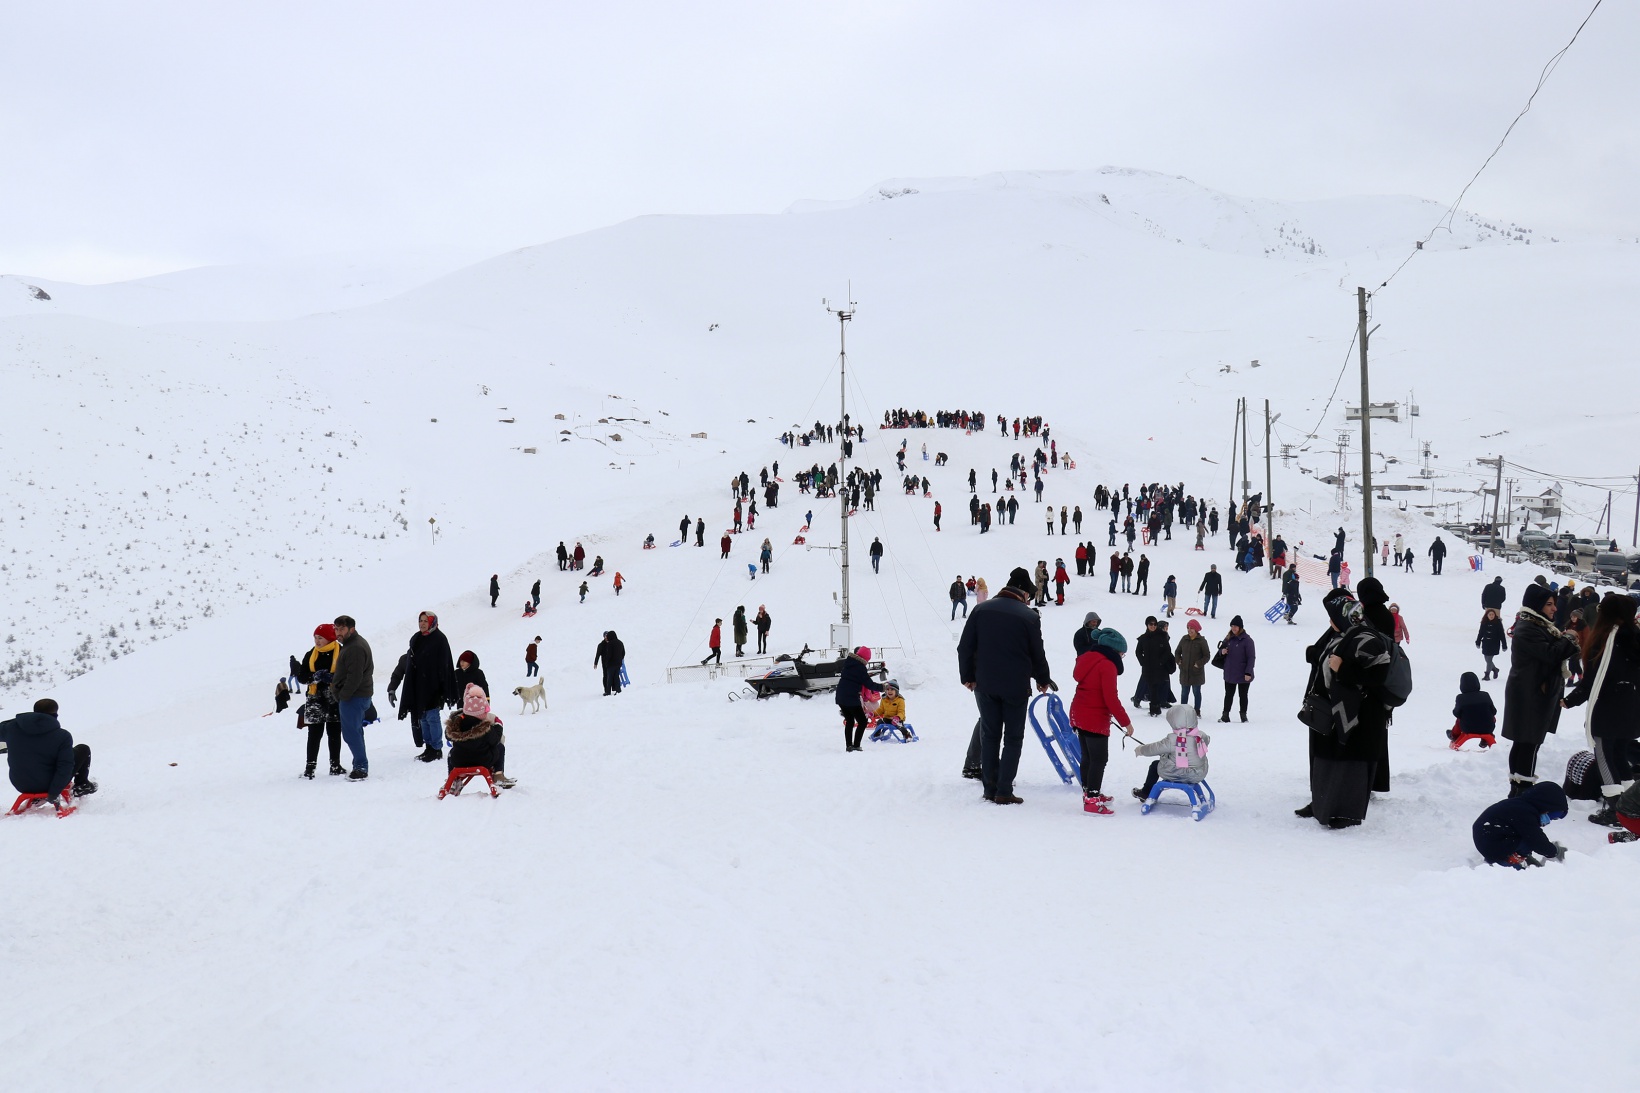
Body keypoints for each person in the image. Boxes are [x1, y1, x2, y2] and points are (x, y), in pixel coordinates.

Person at [1295, 583, 1395, 828]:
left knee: (1350, 765)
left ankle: (1344, 813)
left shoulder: (1365, 636)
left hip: (1357, 713)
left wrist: (1343, 669)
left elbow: (1376, 675)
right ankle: (1325, 806)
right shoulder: (1345, 633)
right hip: (1334, 709)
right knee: (1330, 762)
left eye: (1332, 617)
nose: (1330, 622)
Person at [957, 566, 1056, 804]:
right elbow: (1036, 654)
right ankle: (1004, 790)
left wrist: (967, 676)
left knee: (990, 735)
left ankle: (989, 789)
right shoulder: (1029, 617)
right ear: (1022, 593)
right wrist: (1042, 679)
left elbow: (965, 647)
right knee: (1013, 738)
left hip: (985, 685)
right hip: (1015, 686)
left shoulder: (980, 609)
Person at [1560, 592, 1640, 826]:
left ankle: (1617, 810)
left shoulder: (1606, 639)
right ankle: (1630, 806)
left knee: (1604, 755)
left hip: (1608, 709)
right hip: (1632, 708)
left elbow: (1594, 679)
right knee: (1620, 756)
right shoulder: (1635, 638)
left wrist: (1570, 699)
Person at [1501, 584, 1577, 798]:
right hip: (1531, 695)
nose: (1554, 609)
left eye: (1554, 604)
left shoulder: (1538, 626)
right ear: (1536, 605)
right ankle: (1523, 789)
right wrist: (1568, 639)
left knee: (1525, 742)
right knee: (1529, 742)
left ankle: (1518, 788)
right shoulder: (1529, 628)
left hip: (1532, 692)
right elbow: (1550, 654)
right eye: (1549, 604)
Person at [1069, 627, 1133, 814]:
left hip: (1079, 713)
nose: (1122, 657)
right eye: (1122, 653)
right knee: (1099, 758)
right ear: (1114, 650)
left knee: (1088, 756)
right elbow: (1110, 698)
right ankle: (1092, 798)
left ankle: (1089, 793)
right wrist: (1126, 722)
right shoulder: (1107, 665)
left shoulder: (1088, 659)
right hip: (1093, 717)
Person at [2, 698, 96, 801]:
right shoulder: (62, 736)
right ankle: (81, 786)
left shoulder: (11, 728)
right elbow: (65, 766)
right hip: (48, 785)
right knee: (83, 749)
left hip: (20, 784)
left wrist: (20, 720)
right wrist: (53, 793)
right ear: (55, 715)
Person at [289, 622, 344, 778]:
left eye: (321, 638)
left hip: (334, 697)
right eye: (315, 638)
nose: (317, 641)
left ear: (330, 638)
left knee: (334, 732)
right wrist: (314, 677)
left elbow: (347, 674)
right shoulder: (310, 654)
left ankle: (335, 765)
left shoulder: (341, 652)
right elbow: (301, 676)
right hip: (315, 699)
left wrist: (333, 678)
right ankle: (310, 768)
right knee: (314, 734)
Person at [403, 611, 458, 764]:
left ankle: (436, 748)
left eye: (426, 621)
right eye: (420, 620)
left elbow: (445, 664)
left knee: (432, 718)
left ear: (432, 622)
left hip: (434, 686)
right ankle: (428, 747)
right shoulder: (417, 639)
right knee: (423, 718)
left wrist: (442, 688)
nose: (422, 623)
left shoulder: (439, 639)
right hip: (420, 685)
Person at [1472, 782, 1567, 868]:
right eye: (1551, 817)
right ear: (1545, 806)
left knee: (1525, 837)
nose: (1548, 821)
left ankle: (1514, 859)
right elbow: (1537, 841)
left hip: (1489, 838)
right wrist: (1555, 852)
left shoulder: (1521, 806)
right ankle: (1509, 866)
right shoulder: (1525, 812)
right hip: (1492, 841)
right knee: (1528, 841)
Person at [444, 683, 515, 788]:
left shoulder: (456, 726)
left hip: (459, 760)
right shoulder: (485, 728)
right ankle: (498, 775)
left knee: (451, 753)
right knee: (499, 747)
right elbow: (495, 740)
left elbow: (448, 736)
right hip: (483, 760)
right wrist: (498, 725)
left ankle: (453, 779)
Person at [1132, 705, 1210, 801]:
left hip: (1178, 774)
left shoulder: (1173, 739)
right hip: (1199, 773)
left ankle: (1145, 792)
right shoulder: (1200, 735)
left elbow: (1154, 748)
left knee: (1155, 765)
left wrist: (1141, 749)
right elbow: (1207, 740)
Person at [330, 615, 374, 780]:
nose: (338, 632)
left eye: (341, 629)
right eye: (336, 628)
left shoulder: (354, 647)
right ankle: (360, 764)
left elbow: (355, 677)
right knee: (355, 731)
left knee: (351, 733)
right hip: (356, 696)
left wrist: (343, 695)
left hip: (354, 697)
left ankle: (361, 767)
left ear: (351, 629)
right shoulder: (350, 644)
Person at [1215, 617, 1255, 723]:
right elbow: (1220, 650)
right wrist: (1221, 651)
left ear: (1240, 627)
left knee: (1243, 695)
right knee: (1228, 694)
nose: (1233, 628)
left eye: (1235, 626)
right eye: (1232, 626)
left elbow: (1251, 657)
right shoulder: (1228, 638)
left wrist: (1248, 672)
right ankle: (1225, 715)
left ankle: (1243, 715)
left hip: (1243, 673)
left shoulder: (1247, 641)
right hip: (1230, 671)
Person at [1134, 616, 1175, 717]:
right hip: (1148, 668)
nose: (1153, 626)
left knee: (1157, 687)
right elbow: (1138, 652)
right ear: (1147, 625)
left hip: (1160, 668)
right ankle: (1153, 708)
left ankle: (1156, 707)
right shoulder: (1143, 638)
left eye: (1154, 624)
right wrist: (1143, 662)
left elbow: (1167, 651)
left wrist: (1161, 662)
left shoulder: (1162, 636)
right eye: (1150, 624)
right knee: (1151, 687)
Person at [837, 646, 875, 752]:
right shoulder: (860, 668)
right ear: (866, 658)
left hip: (840, 696)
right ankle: (856, 745)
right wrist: (883, 687)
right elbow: (869, 684)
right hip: (851, 698)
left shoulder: (849, 663)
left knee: (849, 721)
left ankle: (849, 746)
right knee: (862, 721)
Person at [1450, 671, 1497, 749]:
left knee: (1459, 719)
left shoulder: (1461, 698)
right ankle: (1487, 737)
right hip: (1488, 727)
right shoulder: (1485, 695)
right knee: (1490, 717)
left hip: (1468, 727)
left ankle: (1454, 735)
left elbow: (1457, 713)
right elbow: (1493, 711)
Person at [1173, 618, 1210, 715]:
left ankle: (1197, 711)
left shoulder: (1202, 641)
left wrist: (1198, 664)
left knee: (1196, 692)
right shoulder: (1184, 639)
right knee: (1184, 693)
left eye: (1191, 628)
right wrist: (1179, 661)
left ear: (1196, 629)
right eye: (1188, 628)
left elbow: (1207, 656)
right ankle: (1183, 711)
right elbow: (1177, 652)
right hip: (1185, 672)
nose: (1189, 630)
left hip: (1196, 673)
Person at [1476, 608, 1507, 680]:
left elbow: (1502, 634)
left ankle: (1487, 675)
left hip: (1494, 644)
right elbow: (1480, 633)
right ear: (1487, 615)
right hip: (1486, 643)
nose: (1491, 616)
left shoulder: (1498, 623)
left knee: (1489, 659)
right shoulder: (1484, 622)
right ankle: (1495, 669)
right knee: (1486, 659)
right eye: (1490, 614)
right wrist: (1478, 641)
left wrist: (1504, 645)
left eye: (1493, 614)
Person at [595, 630, 625, 695]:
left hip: (610, 664)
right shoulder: (620, 642)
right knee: (615, 677)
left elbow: (609, 655)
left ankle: (608, 692)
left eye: (607, 636)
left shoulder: (610, 644)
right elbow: (623, 653)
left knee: (609, 678)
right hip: (617, 664)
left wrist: (607, 662)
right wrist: (620, 659)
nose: (606, 637)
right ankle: (618, 690)